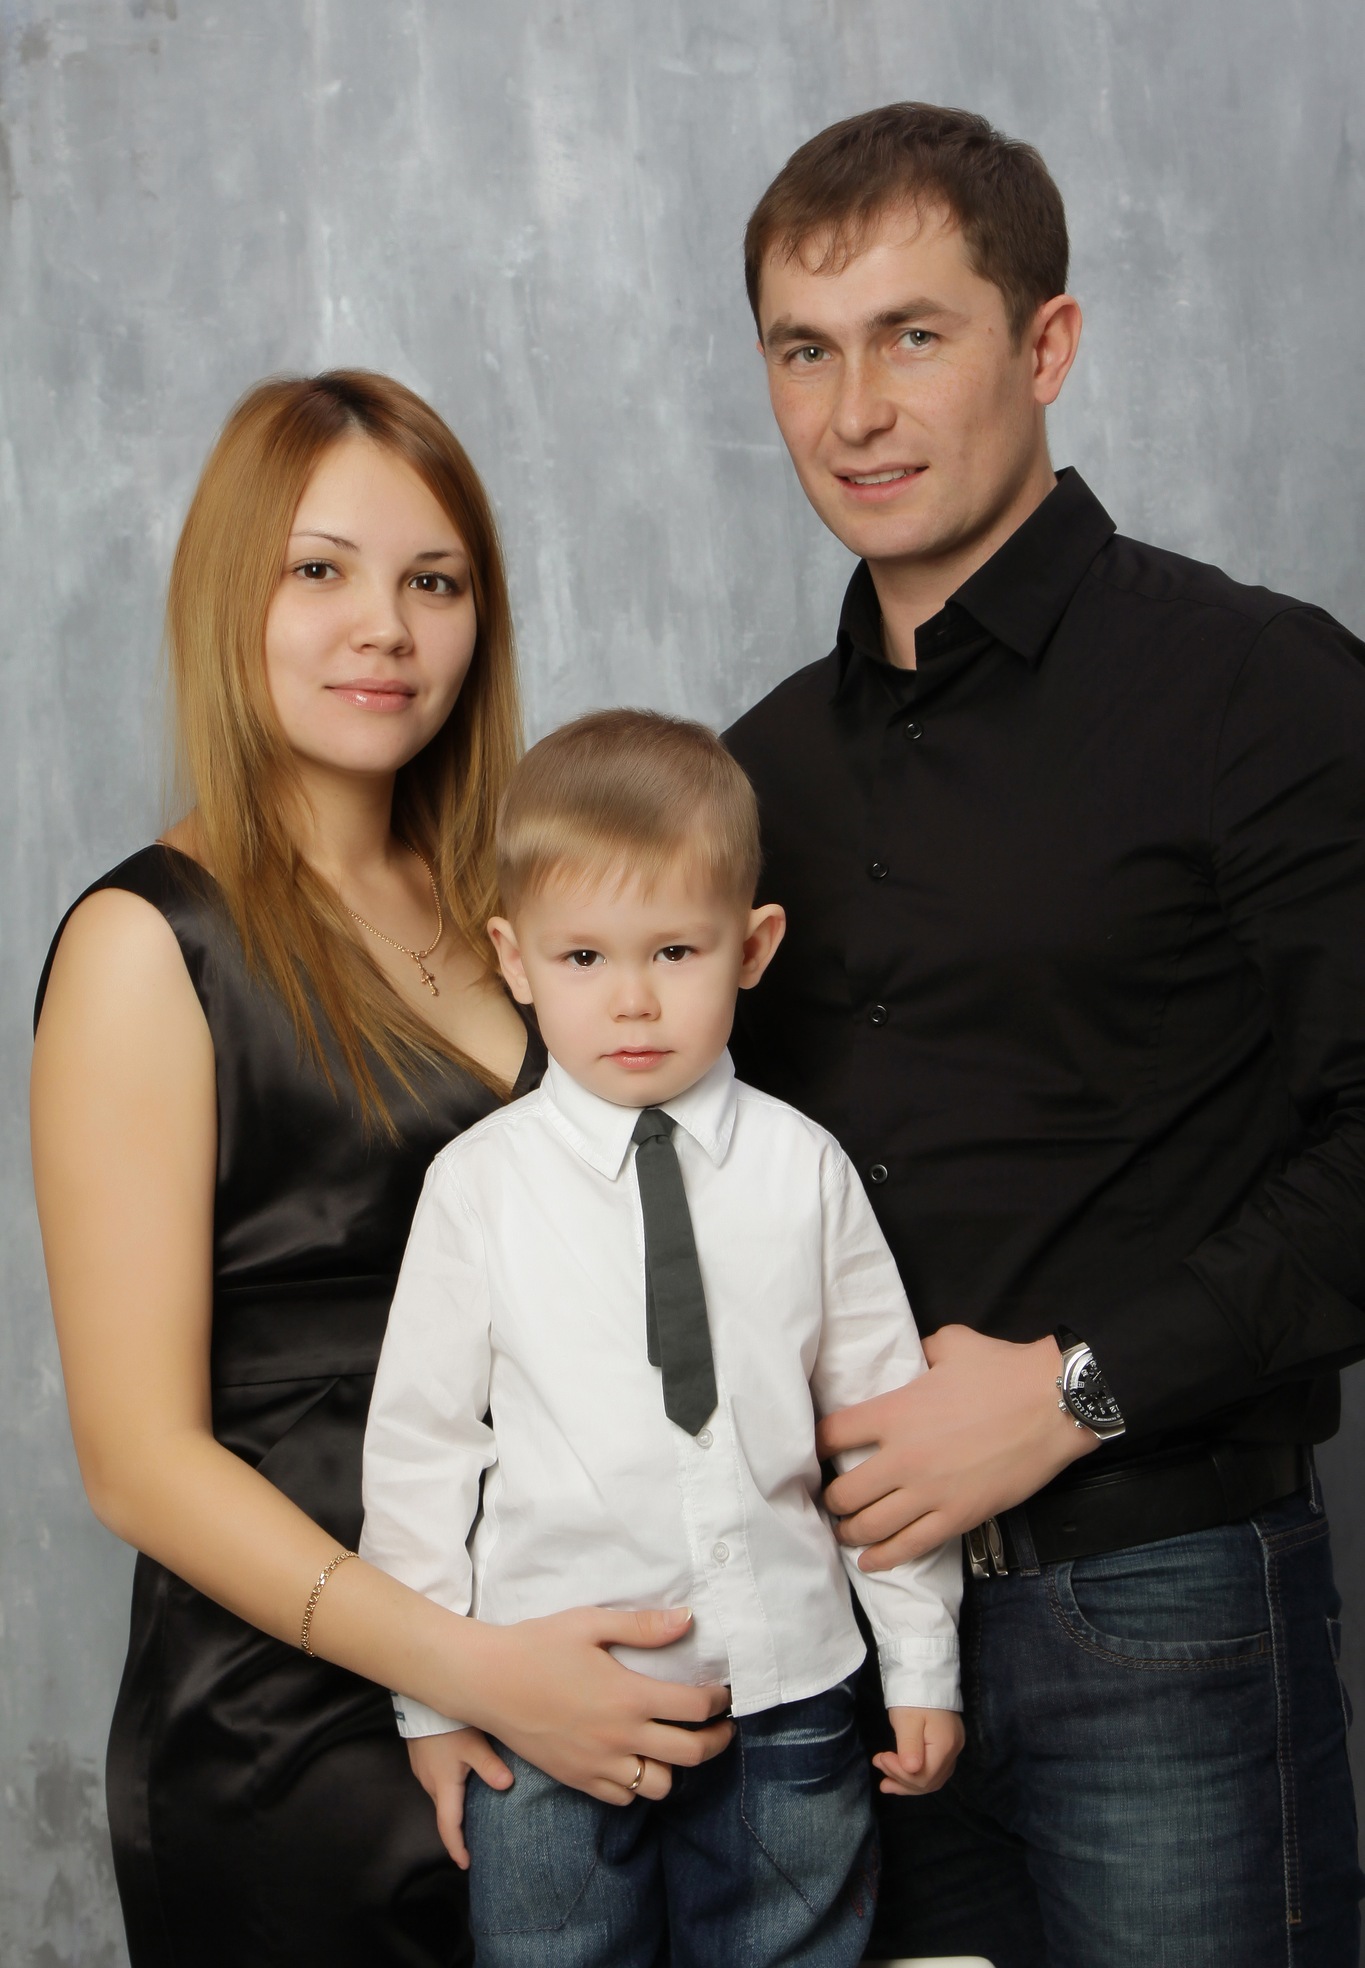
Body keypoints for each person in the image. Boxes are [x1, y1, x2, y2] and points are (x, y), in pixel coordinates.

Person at [724, 103, 1365, 1967]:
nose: (856, 412)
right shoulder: (751, 772)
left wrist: (1074, 1390)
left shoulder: (1256, 685)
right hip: (838, 1651)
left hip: (1162, 1607)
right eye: (805, 351)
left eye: (914, 336)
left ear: (1048, 344)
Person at [29, 373, 732, 1968]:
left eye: (434, 581)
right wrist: (471, 1671)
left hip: (570, 1697)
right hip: (303, 1739)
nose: (386, 630)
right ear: (230, 595)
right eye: (319, 570)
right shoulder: (149, 944)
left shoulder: (523, 912)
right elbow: (138, 1461)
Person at [358, 708, 964, 1967]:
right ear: (515, 959)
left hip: (790, 1698)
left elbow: (884, 1432)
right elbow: (422, 1450)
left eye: (676, 950)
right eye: (583, 955)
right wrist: (432, 1697)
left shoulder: (805, 1170)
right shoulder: (479, 1187)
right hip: (545, 1715)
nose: (632, 999)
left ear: (753, 946)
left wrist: (921, 1661)